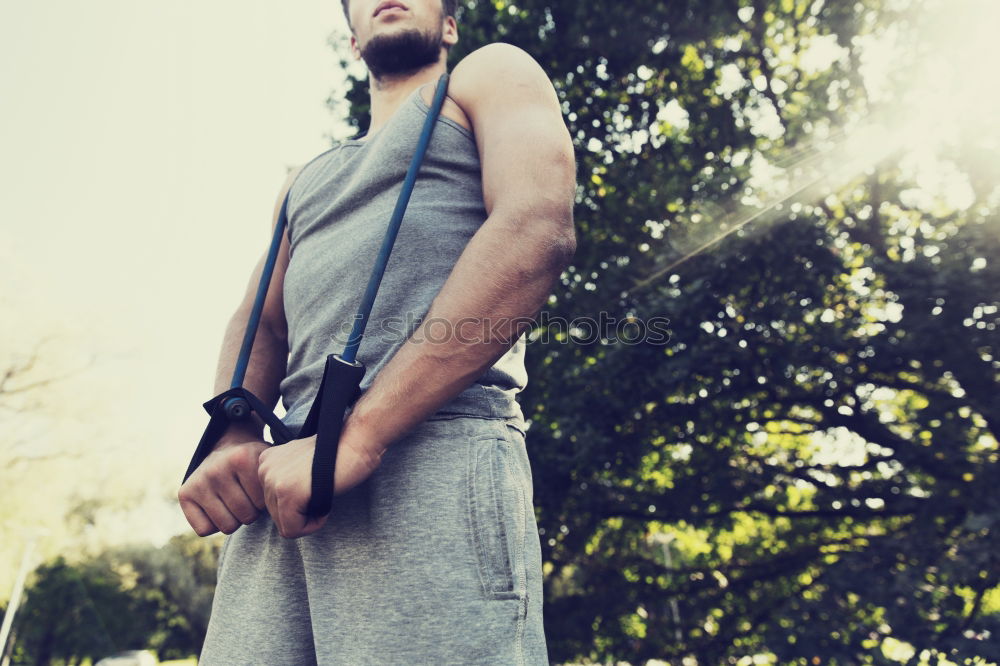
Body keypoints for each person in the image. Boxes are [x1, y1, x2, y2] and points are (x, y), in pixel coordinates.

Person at [177, 0, 576, 663]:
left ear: (449, 25)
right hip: (288, 490)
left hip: (436, 459)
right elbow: (261, 318)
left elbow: (536, 226)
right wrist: (236, 428)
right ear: (353, 40)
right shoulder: (302, 182)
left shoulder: (490, 75)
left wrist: (361, 434)